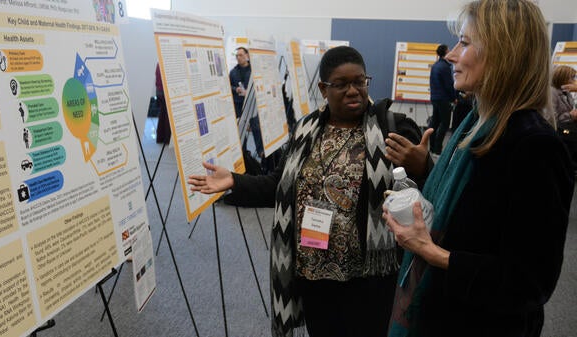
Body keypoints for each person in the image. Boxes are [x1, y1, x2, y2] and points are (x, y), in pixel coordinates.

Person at [189, 46, 425, 337]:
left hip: (369, 278)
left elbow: (423, 194)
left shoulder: (393, 128)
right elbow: (279, 185)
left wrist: (423, 165)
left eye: (360, 81)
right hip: (313, 271)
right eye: (341, 84)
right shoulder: (305, 130)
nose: (353, 91)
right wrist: (236, 182)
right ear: (323, 88)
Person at [383, 1, 574, 337]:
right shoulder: (478, 122)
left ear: (504, 54)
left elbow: (528, 283)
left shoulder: (534, 146)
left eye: (465, 43)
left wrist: (429, 251)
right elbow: (478, 205)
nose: (453, 55)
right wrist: (427, 167)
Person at [229, 47, 264, 158]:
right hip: (238, 104)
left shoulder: (254, 70)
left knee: (256, 127)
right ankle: (243, 153)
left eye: (241, 55)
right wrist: (236, 89)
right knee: (241, 129)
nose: (238, 57)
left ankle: (261, 151)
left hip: (252, 104)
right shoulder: (233, 72)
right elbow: (228, 86)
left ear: (247, 55)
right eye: (237, 55)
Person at [428, 44, 456, 155]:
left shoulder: (435, 66)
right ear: (445, 52)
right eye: (448, 50)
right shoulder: (445, 67)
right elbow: (449, 85)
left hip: (435, 98)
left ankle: (432, 147)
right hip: (443, 99)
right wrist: (454, 98)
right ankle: (438, 150)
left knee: (435, 122)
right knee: (444, 124)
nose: (450, 51)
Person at [155, 63, 171, 144]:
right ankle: (166, 139)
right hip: (165, 91)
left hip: (159, 91)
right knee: (167, 116)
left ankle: (160, 138)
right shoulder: (166, 64)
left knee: (162, 114)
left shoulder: (159, 64)